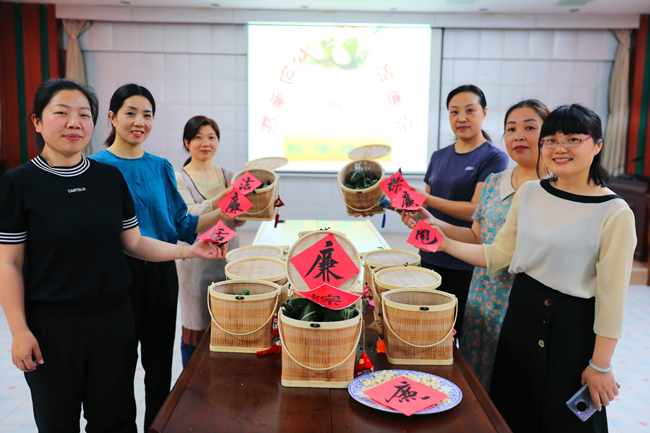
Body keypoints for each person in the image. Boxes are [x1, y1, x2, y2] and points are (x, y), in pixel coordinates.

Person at [0, 78, 227, 432]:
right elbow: (10, 262)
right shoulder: (19, 183)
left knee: (115, 421)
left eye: (83, 114)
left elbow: (134, 242)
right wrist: (18, 330)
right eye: (61, 113)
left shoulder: (108, 178)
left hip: (112, 321)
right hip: (52, 327)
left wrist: (188, 249)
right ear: (38, 122)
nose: (74, 123)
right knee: (57, 422)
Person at [425, 104, 635, 433]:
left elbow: (612, 298)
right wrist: (445, 243)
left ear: (597, 145)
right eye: (551, 140)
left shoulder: (615, 212)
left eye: (573, 139)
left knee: (560, 419)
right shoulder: (530, 192)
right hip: (520, 318)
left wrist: (601, 364)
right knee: (512, 411)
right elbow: (499, 255)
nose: (560, 148)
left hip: (571, 328)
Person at [88, 84, 231, 430]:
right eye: (131, 113)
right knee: (118, 366)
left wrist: (226, 208)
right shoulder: (95, 168)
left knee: (159, 365)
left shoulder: (161, 167)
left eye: (147, 115)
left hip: (162, 273)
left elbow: (183, 224)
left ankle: (157, 425)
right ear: (112, 117)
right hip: (116, 278)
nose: (140, 121)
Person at [403, 99, 550, 391]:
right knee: (475, 374)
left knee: (512, 382)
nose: (518, 136)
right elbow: (475, 235)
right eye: (511, 129)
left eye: (529, 128)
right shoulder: (494, 182)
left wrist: (444, 242)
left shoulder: (555, 189)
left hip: (523, 298)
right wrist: (432, 222)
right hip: (482, 293)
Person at [414, 84, 508, 338]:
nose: (461, 118)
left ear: (484, 112)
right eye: (454, 112)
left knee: (457, 335)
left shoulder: (494, 158)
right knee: (426, 333)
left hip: (464, 260)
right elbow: (426, 207)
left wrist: (426, 199)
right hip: (429, 255)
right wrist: (410, 210)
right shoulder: (438, 156)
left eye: (470, 110)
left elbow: (475, 210)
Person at [175, 115, 245, 366]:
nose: (206, 143)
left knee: (228, 323)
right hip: (196, 262)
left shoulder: (228, 175)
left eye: (211, 137)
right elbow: (189, 216)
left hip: (228, 259)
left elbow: (238, 219)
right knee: (197, 325)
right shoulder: (179, 177)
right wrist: (223, 197)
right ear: (187, 142)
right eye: (198, 137)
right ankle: (192, 384)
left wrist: (260, 203)